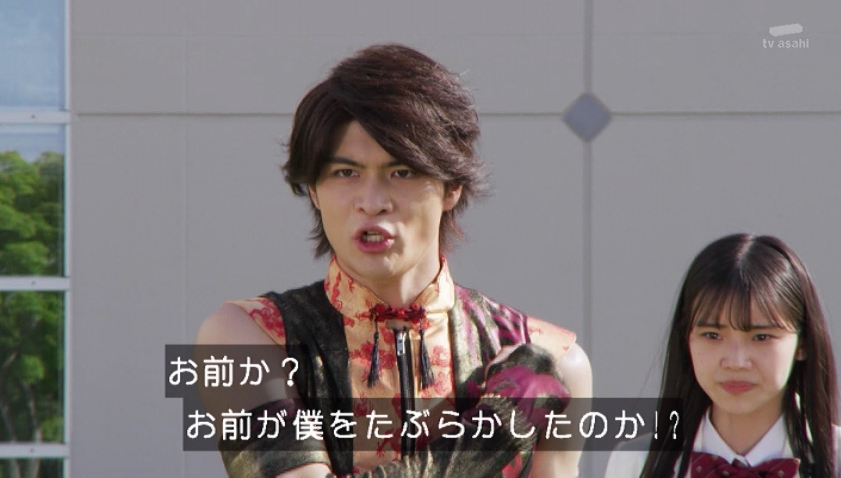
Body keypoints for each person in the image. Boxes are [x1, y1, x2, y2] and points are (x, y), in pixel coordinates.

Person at [196, 43, 592, 478]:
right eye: (345, 173)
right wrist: (493, 436)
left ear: (452, 186)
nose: (372, 201)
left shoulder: (553, 359)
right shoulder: (247, 336)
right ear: (313, 190)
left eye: (402, 172)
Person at [604, 233, 841, 478]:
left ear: (802, 343)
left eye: (761, 337)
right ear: (686, 338)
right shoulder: (636, 463)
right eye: (712, 335)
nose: (736, 362)